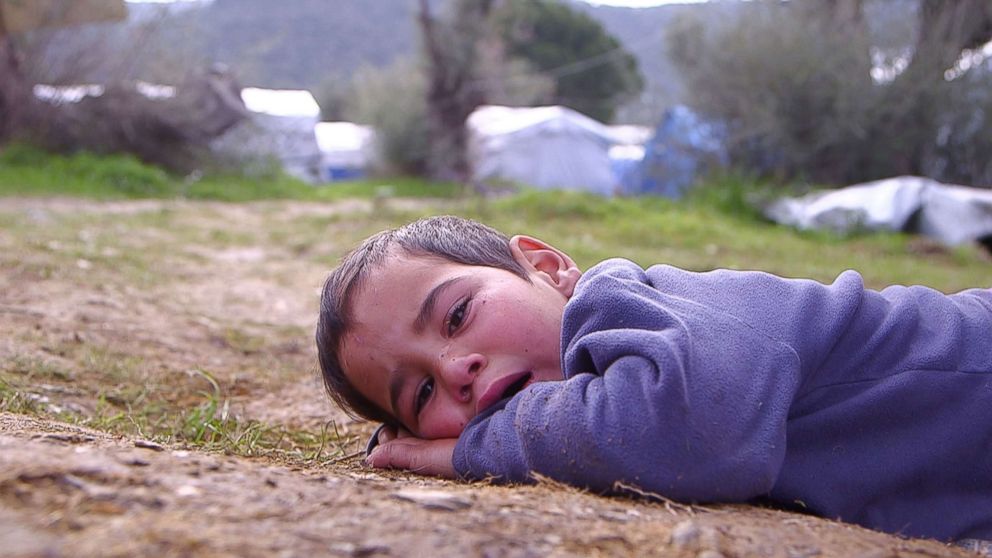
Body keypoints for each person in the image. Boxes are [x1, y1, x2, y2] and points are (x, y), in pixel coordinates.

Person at [315, 215, 992, 543]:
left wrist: (469, 450)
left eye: (459, 314)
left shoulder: (636, 303)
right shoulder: (602, 401)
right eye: (420, 393)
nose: (453, 369)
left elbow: (691, 430)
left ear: (548, 267)